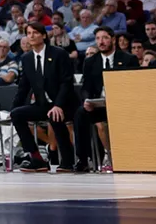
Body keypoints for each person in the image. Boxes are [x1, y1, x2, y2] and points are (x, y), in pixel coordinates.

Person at [11, 24, 78, 173]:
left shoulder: (59, 54)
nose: (32, 36)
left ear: (44, 35)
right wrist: (13, 109)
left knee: (55, 116)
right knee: (17, 115)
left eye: (35, 32)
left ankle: (67, 161)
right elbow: (23, 87)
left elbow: (66, 82)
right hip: (43, 104)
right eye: (29, 33)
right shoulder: (26, 58)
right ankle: (37, 158)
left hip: (64, 103)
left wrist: (59, 105)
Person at [74, 26, 136, 172]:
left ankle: (125, 156)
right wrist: (87, 100)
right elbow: (85, 87)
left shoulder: (128, 59)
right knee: (80, 113)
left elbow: (133, 85)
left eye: (105, 38)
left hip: (121, 105)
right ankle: (83, 159)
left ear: (113, 39)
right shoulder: (90, 62)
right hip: (99, 106)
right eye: (98, 39)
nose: (101, 42)